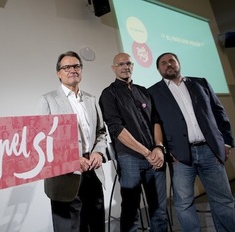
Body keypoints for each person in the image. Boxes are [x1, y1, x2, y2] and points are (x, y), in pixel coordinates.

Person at [149, 52, 235, 231]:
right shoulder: (153, 92)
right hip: (180, 157)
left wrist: (226, 143)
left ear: (178, 63)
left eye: (171, 60)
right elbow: (155, 125)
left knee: (224, 201)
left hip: (210, 151)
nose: (168, 65)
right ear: (158, 69)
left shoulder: (200, 83)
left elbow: (219, 113)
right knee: (184, 204)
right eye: (163, 63)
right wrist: (166, 152)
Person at [36, 51, 107, 232]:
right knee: (69, 228)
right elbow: (42, 142)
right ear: (58, 73)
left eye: (76, 66)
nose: (72, 70)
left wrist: (98, 152)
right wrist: (72, 159)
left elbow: (101, 133)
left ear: (81, 70)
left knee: (95, 225)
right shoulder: (47, 100)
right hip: (64, 176)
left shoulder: (91, 99)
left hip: (92, 171)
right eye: (66, 67)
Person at [99, 52, 168, 232]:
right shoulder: (108, 94)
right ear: (114, 68)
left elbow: (156, 121)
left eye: (128, 63)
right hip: (130, 158)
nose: (125, 67)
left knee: (159, 209)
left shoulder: (144, 91)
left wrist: (159, 148)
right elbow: (116, 128)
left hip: (156, 157)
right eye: (120, 64)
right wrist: (147, 152)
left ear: (133, 66)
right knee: (131, 210)